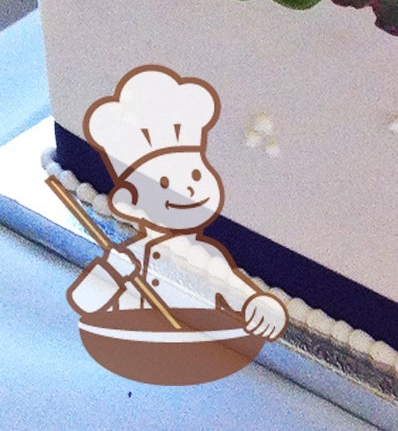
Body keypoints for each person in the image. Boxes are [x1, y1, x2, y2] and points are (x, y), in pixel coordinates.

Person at [65, 64, 287, 340]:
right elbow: (85, 297)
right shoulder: (129, 252)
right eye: (166, 183)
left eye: (195, 174)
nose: (191, 187)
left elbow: (243, 295)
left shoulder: (212, 258)